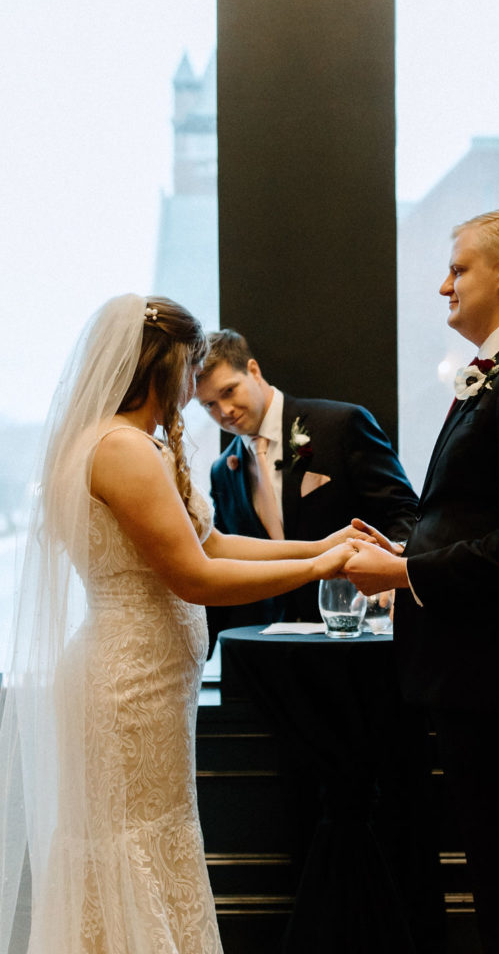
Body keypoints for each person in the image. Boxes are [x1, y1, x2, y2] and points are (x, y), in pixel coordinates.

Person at [0, 294, 363, 954]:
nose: (193, 390)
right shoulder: (122, 450)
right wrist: (319, 571)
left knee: (145, 843)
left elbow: (214, 543)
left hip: (143, 686)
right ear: (164, 366)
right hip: (128, 688)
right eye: (188, 369)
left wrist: (319, 547)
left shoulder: (116, 442)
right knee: (133, 849)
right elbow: (194, 576)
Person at [345, 209, 499, 954]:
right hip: (462, 669)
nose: (442, 285)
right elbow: (468, 515)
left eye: (456, 268)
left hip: (490, 673)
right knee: (494, 861)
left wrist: (403, 570)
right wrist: (403, 543)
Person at [195, 329, 418, 650]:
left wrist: (396, 572)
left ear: (253, 371)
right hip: (268, 646)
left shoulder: (341, 425)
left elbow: (404, 510)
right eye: (209, 405)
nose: (224, 411)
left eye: (229, 391)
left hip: (356, 635)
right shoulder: (222, 470)